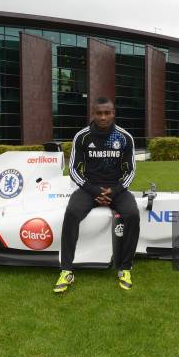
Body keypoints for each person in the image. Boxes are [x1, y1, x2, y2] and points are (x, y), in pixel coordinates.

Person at [53, 96, 139, 293]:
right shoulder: (82, 137)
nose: (103, 117)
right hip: (89, 188)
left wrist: (115, 191)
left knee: (132, 214)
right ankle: (66, 270)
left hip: (116, 188)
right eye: (99, 113)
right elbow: (74, 170)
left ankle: (125, 268)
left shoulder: (124, 137)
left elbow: (131, 171)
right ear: (93, 114)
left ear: (113, 113)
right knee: (72, 212)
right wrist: (93, 190)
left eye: (107, 113)